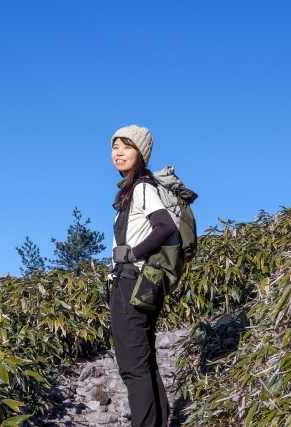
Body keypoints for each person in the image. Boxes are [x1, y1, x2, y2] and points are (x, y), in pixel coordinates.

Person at [109, 125, 177, 427]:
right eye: (114, 147)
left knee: (132, 367)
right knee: (144, 362)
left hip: (130, 282)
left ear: (141, 154)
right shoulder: (134, 189)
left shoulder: (142, 188)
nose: (118, 153)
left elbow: (165, 226)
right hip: (140, 283)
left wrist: (132, 253)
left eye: (127, 147)